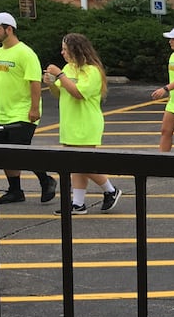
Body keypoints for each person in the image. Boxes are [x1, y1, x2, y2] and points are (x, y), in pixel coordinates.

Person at [0, 12, 57, 206]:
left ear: (9, 29)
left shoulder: (25, 53)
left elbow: (34, 83)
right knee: (2, 151)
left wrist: (34, 109)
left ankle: (46, 180)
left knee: (19, 152)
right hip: (4, 112)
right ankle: (15, 191)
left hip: (23, 112)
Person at [43, 33, 122, 214]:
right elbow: (60, 93)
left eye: (65, 49)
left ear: (76, 50)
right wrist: (51, 84)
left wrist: (60, 75)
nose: (62, 53)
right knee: (74, 164)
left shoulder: (92, 71)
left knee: (81, 162)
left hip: (86, 122)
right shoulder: (68, 68)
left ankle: (110, 190)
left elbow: (78, 93)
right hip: (70, 121)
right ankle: (78, 204)